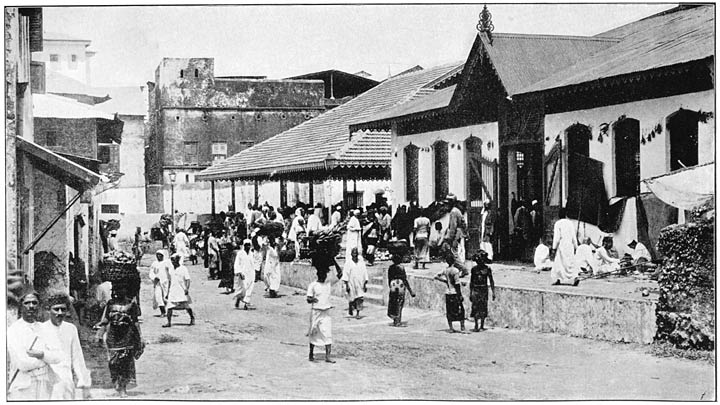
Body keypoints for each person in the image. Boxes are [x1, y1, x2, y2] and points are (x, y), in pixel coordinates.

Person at [8, 291, 63, 400]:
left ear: (39, 306)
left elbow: (59, 356)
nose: (31, 306)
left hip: (45, 383)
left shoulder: (45, 328)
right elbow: (22, 363)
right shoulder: (14, 330)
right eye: (27, 303)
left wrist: (41, 354)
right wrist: (47, 358)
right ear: (21, 306)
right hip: (23, 386)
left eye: (34, 303)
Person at [96, 282, 144, 398]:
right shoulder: (110, 303)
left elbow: (135, 322)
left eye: (122, 289)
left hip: (127, 336)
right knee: (113, 362)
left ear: (126, 290)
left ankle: (123, 387)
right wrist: (99, 334)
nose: (119, 292)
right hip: (113, 337)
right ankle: (117, 383)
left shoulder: (131, 304)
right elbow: (105, 320)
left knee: (125, 362)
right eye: (117, 289)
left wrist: (140, 337)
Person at [42, 294, 91, 400]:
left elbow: (77, 357)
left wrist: (85, 384)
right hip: (47, 383)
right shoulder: (41, 329)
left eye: (63, 309)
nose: (60, 313)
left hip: (67, 381)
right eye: (56, 309)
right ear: (48, 310)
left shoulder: (71, 329)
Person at [306, 267, 335, 363]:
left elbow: (340, 274)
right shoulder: (313, 285)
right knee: (313, 332)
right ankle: (311, 353)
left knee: (327, 333)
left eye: (325, 274)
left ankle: (328, 356)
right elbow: (308, 299)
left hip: (326, 312)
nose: (323, 276)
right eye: (321, 274)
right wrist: (312, 299)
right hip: (316, 312)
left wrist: (333, 261)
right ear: (318, 275)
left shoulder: (328, 285)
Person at [435, 253, 466, 332]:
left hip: (448, 292)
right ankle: (462, 327)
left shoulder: (446, 270)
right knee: (460, 310)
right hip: (455, 292)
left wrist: (445, 281)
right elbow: (457, 284)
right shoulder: (455, 271)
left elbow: (436, 276)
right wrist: (460, 295)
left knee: (449, 310)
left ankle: (451, 328)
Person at [163, 254, 195, 327]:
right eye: (172, 260)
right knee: (169, 306)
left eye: (174, 260)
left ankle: (192, 318)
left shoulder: (183, 268)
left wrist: (187, 288)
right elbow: (170, 281)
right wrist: (167, 293)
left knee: (186, 306)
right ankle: (168, 322)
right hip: (173, 290)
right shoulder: (171, 269)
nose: (172, 262)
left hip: (181, 289)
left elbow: (188, 279)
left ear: (177, 260)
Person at [550, 208, 580, 286]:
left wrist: (554, 248)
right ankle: (575, 277)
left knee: (559, 263)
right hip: (570, 245)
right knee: (571, 262)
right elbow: (574, 236)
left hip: (562, 245)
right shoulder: (570, 223)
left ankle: (558, 278)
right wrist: (576, 247)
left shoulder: (558, 223)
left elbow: (556, 238)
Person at [469, 251, 495, 332]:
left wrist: (493, 292)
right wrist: (470, 292)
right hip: (476, 289)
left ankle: (482, 325)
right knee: (475, 307)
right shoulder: (474, 269)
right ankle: (476, 325)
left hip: (483, 289)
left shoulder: (487, 269)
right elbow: (471, 281)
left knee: (483, 307)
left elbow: (491, 281)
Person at [443, 194, 468, 277]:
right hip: (458, 233)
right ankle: (458, 268)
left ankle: (463, 269)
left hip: (456, 234)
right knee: (454, 252)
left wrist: (449, 238)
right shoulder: (456, 210)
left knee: (453, 253)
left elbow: (453, 227)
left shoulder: (454, 212)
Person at [387, 254, 415, 326]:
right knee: (399, 303)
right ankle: (398, 321)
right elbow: (404, 279)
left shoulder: (390, 268)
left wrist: (390, 286)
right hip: (400, 284)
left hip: (393, 285)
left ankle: (394, 319)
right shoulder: (401, 268)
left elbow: (389, 279)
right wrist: (410, 290)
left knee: (393, 301)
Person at [341, 247, 369, 319]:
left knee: (360, 298)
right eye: (353, 253)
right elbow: (346, 274)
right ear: (351, 254)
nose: (355, 254)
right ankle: (351, 306)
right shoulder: (348, 263)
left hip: (360, 283)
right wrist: (346, 285)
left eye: (356, 253)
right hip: (351, 283)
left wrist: (365, 283)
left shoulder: (361, 263)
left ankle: (358, 313)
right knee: (352, 298)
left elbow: (365, 272)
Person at [233, 239, 256, 310]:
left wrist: (255, 272)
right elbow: (237, 263)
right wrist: (239, 272)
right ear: (244, 245)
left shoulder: (251, 254)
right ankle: (238, 299)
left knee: (250, 288)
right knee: (243, 289)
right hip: (242, 273)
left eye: (249, 245)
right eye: (246, 245)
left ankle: (246, 303)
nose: (248, 246)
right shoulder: (240, 253)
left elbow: (253, 264)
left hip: (250, 273)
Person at [148, 250, 171, 316]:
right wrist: (154, 277)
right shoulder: (154, 263)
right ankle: (162, 312)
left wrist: (170, 281)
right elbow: (151, 272)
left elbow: (170, 273)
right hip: (157, 282)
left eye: (160, 255)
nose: (158, 256)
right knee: (158, 297)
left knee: (166, 297)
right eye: (157, 255)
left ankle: (168, 311)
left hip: (165, 282)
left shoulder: (167, 263)